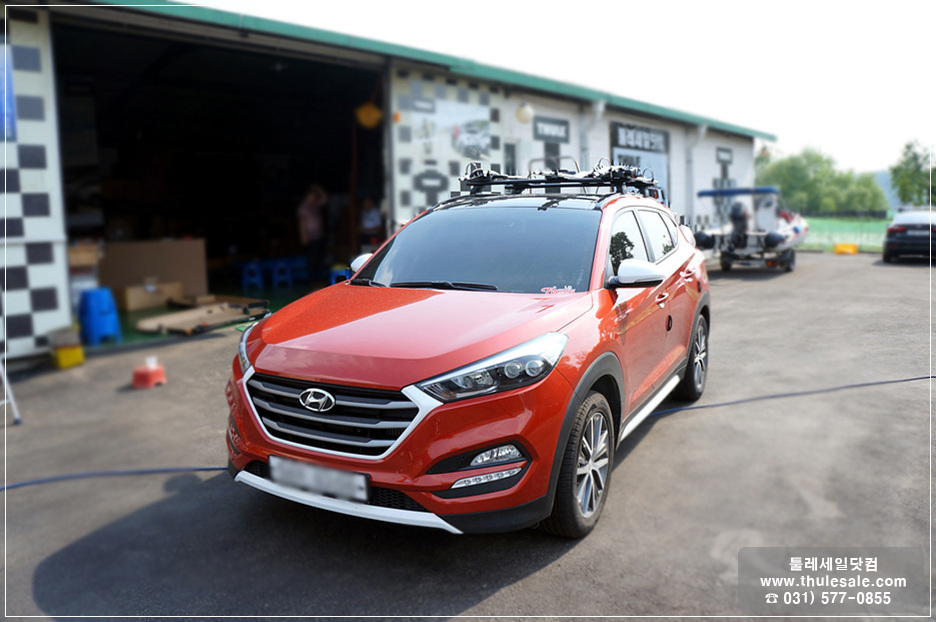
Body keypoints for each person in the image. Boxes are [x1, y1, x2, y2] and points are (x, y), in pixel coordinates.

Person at [297, 184, 328, 283]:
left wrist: (317, 189)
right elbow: (302, 223)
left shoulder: (315, 205)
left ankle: (319, 279)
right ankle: (311, 280)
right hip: (310, 237)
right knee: (312, 259)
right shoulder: (303, 208)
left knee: (320, 259)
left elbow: (324, 199)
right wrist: (303, 236)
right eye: (312, 196)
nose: (313, 198)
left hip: (319, 236)